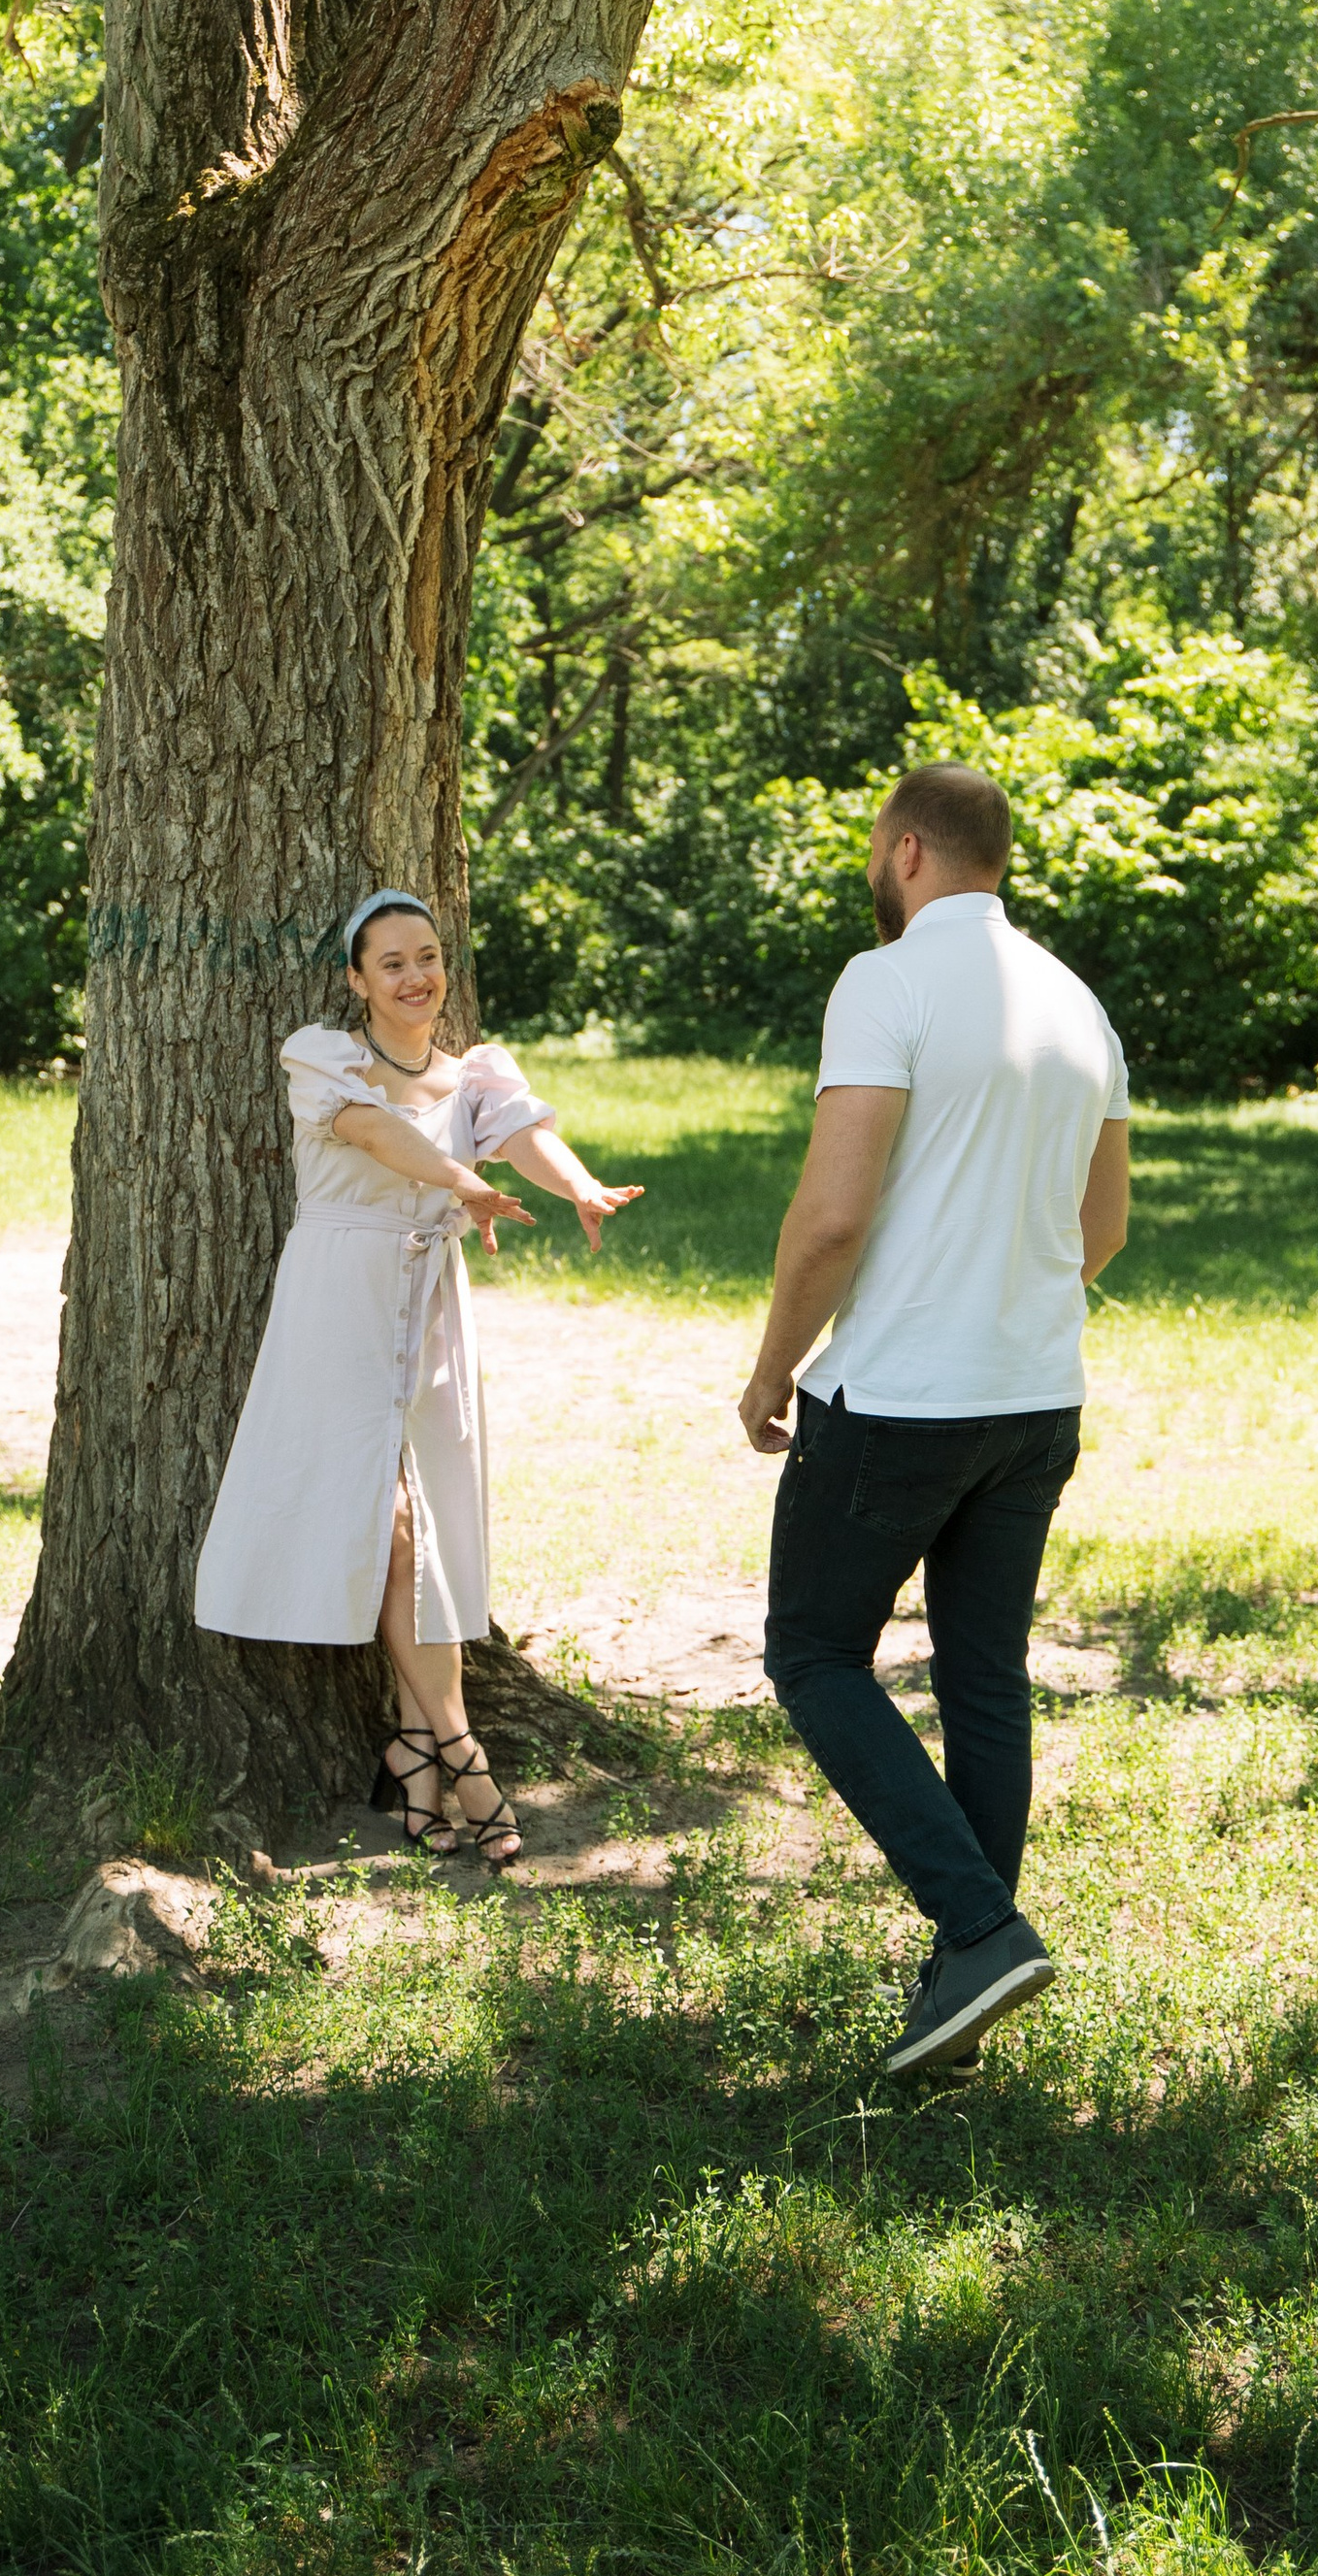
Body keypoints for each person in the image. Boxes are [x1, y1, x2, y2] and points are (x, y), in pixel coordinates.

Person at [739, 764, 1130, 2080]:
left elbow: (831, 1217)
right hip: (1037, 1398)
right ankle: (967, 1990)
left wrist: (771, 1370)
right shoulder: (1076, 1002)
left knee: (815, 1656)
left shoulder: (885, 981)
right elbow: (1103, 1228)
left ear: (905, 851)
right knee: (982, 1681)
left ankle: (979, 1930)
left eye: (873, 847)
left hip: (901, 1400)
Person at [195, 890, 643, 1863]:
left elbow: (524, 1133)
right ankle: (463, 1750)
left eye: (428, 957)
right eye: (391, 962)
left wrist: (578, 1185)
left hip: (433, 1307)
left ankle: (413, 1750)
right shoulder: (325, 1057)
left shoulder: (472, 1072)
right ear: (357, 980)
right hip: (339, 1302)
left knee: (425, 1530)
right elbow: (375, 1135)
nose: (415, 976)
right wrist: (462, 1181)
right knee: (388, 1520)